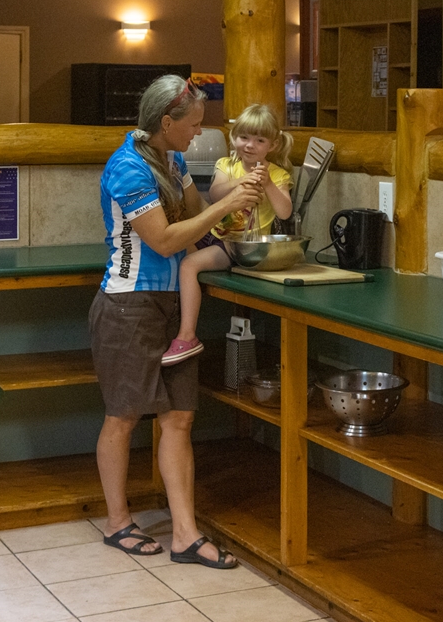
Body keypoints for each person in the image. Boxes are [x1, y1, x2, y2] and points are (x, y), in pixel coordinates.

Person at [91, 75, 260, 567]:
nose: (198, 135)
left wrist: (231, 217)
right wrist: (225, 205)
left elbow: (196, 215)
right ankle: (118, 522)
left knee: (180, 417)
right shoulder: (127, 169)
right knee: (123, 417)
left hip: (172, 306)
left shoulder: (174, 160)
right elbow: (164, 240)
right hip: (129, 305)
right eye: (192, 126)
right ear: (166, 122)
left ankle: (185, 535)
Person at [165, 103, 294, 365]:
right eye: (243, 137)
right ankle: (169, 324)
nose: (249, 145)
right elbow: (215, 195)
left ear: (273, 145)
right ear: (233, 138)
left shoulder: (277, 173)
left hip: (240, 247)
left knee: (189, 266)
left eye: (259, 140)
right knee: (174, 252)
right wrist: (240, 183)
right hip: (214, 234)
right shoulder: (226, 165)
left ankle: (187, 334)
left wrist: (268, 183)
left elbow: (284, 212)